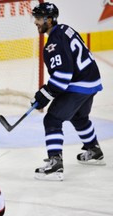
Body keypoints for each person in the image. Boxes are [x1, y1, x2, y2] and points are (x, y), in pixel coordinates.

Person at [31, 2, 105, 181]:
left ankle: (55, 164)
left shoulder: (52, 44)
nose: (36, 23)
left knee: (52, 119)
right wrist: (47, 93)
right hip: (91, 81)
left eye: (39, 19)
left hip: (79, 84)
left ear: (49, 20)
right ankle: (93, 150)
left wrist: (44, 95)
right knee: (79, 117)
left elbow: (63, 77)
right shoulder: (65, 29)